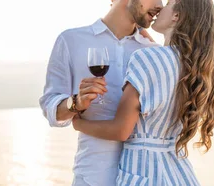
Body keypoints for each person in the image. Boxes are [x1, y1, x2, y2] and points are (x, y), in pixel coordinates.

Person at [71, 0, 214, 185]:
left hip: (144, 174)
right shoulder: (196, 68)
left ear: (177, 16)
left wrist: (78, 124)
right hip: (179, 174)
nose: (160, 7)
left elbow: (120, 130)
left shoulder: (147, 58)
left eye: (168, 3)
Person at [39, 0, 163, 185]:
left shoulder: (154, 52)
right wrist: (75, 103)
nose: (160, 5)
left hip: (144, 178)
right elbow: (51, 108)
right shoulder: (71, 40)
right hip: (92, 176)